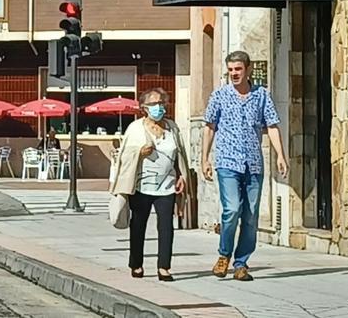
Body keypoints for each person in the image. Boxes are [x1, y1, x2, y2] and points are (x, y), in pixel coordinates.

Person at [201, 50, 288, 282]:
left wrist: (280, 155)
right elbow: (209, 126)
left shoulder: (261, 96)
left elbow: (272, 126)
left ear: (248, 70)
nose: (234, 74)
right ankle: (224, 254)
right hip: (227, 163)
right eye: (230, 70)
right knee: (231, 210)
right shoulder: (219, 96)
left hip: (253, 164)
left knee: (250, 216)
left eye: (238, 69)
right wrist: (204, 158)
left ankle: (241, 263)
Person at [110, 88, 189, 281]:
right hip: (141, 186)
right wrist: (139, 153)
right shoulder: (135, 128)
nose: (159, 107)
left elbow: (180, 154)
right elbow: (124, 156)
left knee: (166, 226)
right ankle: (136, 263)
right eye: (154, 104)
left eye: (162, 103)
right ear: (144, 108)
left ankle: (164, 267)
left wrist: (182, 176)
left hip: (167, 185)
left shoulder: (172, 127)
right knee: (138, 225)